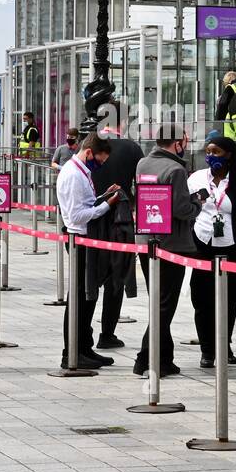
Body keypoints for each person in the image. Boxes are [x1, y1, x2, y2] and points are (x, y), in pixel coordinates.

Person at [187, 136, 236, 369]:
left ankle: (223, 345)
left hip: (233, 245)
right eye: (208, 151)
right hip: (203, 242)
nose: (210, 156)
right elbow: (185, 205)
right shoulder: (197, 178)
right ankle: (207, 349)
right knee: (202, 298)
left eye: (216, 151)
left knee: (230, 300)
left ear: (228, 154)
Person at [132, 129, 200, 378]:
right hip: (171, 244)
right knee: (164, 305)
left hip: (146, 239)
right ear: (177, 143)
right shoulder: (176, 170)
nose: (187, 144)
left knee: (158, 302)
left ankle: (165, 358)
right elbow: (181, 209)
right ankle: (145, 358)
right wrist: (197, 204)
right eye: (185, 140)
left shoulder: (143, 163)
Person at [55, 132, 121, 370]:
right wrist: (107, 205)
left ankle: (84, 348)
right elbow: (76, 215)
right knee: (80, 297)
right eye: (100, 160)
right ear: (89, 152)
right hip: (79, 239)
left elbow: (85, 203)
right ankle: (71, 352)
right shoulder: (73, 175)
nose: (101, 165)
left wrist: (103, 196)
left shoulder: (82, 171)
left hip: (86, 238)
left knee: (87, 295)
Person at [89, 131, 144, 349]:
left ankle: (84, 333)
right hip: (120, 218)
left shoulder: (89, 143)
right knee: (116, 277)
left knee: (89, 277)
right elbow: (141, 184)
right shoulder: (131, 148)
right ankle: (107, 333)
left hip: (90, 221)